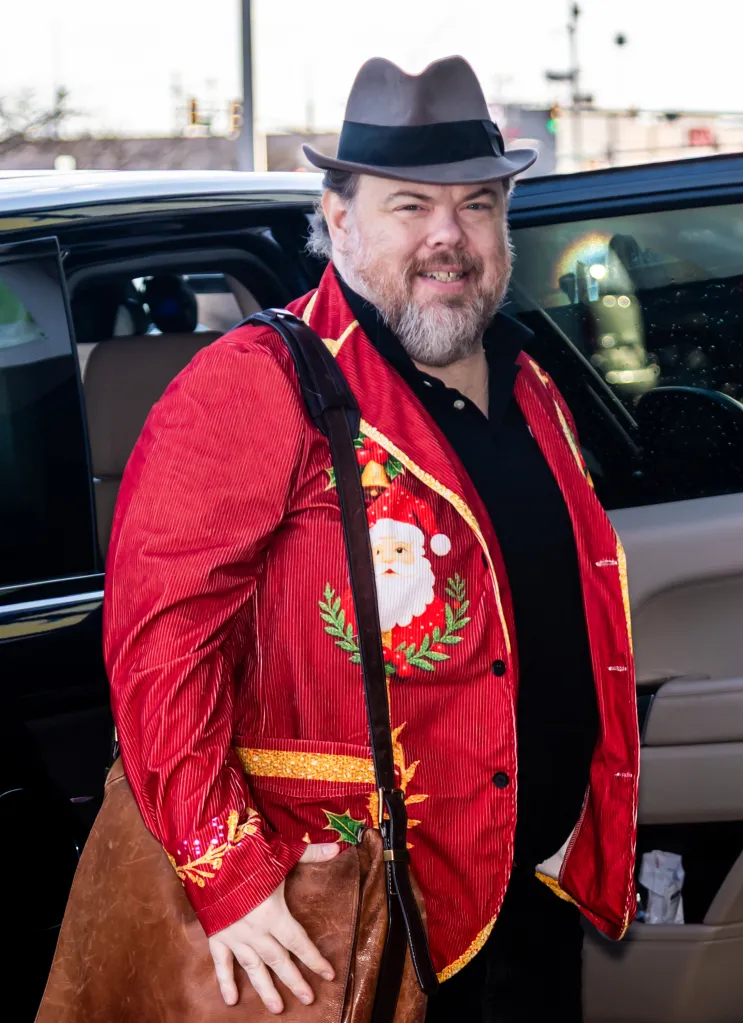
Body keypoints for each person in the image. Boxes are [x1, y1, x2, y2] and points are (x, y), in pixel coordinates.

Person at [104, 55, 639, 1021]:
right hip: (358, 916)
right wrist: (230, 878)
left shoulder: (528, 381)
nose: (450, 236)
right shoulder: (259, 382)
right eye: (409, 207)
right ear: (340, 216)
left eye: (477, 204)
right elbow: (161, 645)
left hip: (531, 892)